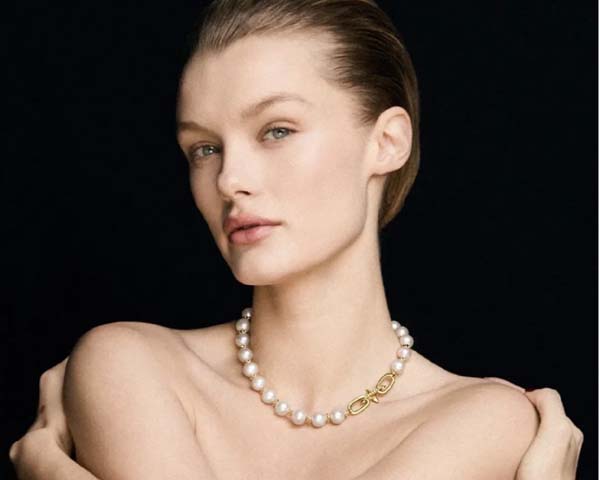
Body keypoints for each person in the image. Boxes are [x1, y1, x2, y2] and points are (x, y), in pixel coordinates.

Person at [9, 0, 584, 479]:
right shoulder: (130, 366)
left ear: (386, 142)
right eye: (204, 148)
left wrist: (53, 471)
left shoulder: (484, 420)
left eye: (276, 130)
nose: (230, 180)